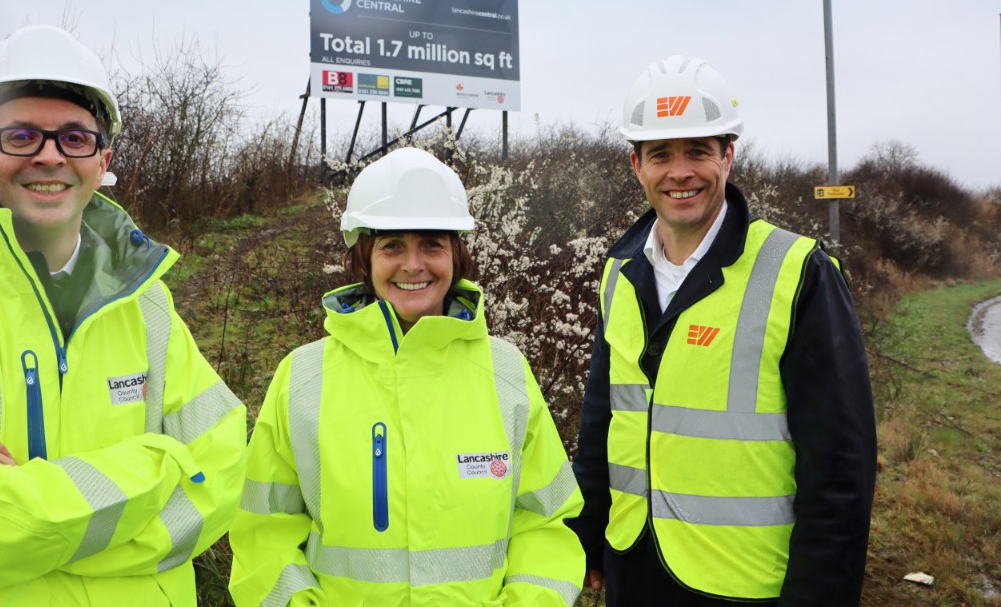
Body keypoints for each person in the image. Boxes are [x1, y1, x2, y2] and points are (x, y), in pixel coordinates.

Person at [0, 25, 247, 605]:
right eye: (20, 136)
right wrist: (164, 459)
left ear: (102, 161)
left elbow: (223, 471)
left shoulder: (148, 305)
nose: (49, 155)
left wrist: (37, 517)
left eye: (74, 138)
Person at [568, 56, 877, 606]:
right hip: (634, 568)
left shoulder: (797, 273)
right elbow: (602, 418)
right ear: (635, 165)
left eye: (698, 152)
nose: (679, 172)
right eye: (660, 154)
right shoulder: (619, 272)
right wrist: (590, 532)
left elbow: (840, 469)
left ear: (728, 157)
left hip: (745, 584)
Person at [228, 147, 586, 606]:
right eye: (392, 245)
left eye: (431, 244)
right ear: (364, 258)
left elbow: (545, 523)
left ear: (456, 255)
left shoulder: (506, 372)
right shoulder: (303, 377)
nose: (413, 264)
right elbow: (264, 532)